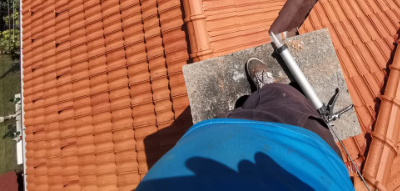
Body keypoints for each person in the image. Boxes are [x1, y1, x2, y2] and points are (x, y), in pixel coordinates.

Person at [137, 58, 355, 190]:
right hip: (318, 162)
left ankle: (266, 92)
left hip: (208, 159)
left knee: (236, 120)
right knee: (293, 105)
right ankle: (270, 89)